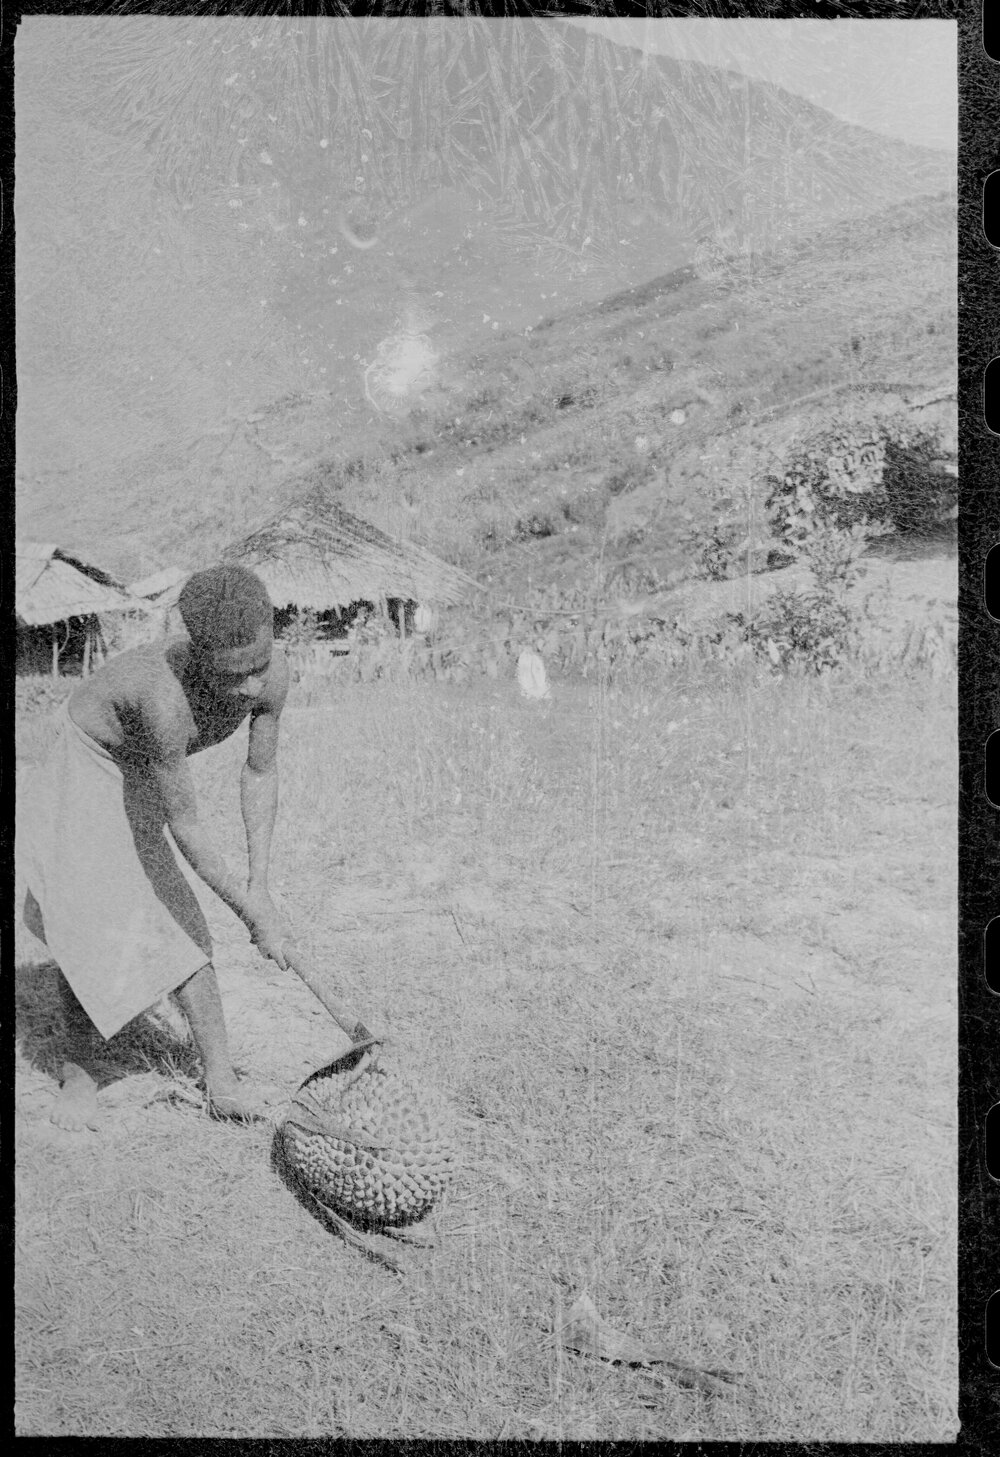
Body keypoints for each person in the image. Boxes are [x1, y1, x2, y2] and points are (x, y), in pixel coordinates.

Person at [20, 563, 292, 1131]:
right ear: (199, 658)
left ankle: (222, 1081)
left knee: (176, 919)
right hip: (90, 757)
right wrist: (246, 908)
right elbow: (185, 823)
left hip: (140, 761)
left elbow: (260, 772)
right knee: (95, 913)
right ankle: (78, 1075)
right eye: (231, 676)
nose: (249, 689)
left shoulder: (274, 673)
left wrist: (260, 886)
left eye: (258, 668)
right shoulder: (161, 700)